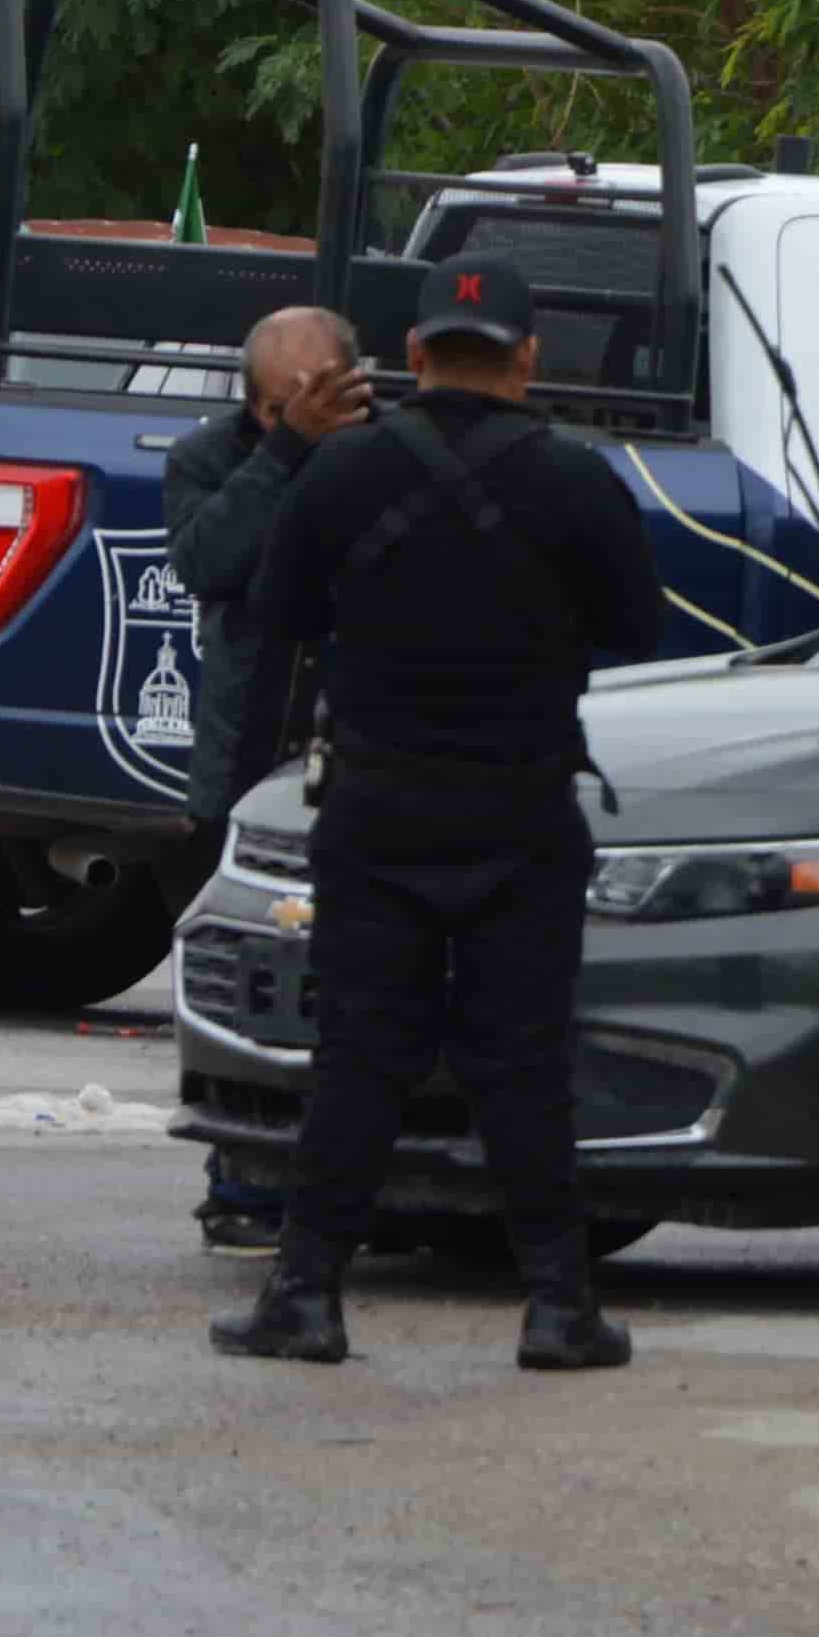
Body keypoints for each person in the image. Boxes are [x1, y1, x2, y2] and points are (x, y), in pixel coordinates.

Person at [209, 255, 662, 1373]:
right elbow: (640, 628)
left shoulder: (345, 472)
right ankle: (558, 1306)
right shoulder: (576, 479)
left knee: (359, 1055)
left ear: (411, 356)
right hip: (519, 812)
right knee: (525, 1062)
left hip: (376, 808)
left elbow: (276, 611)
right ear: (526, 357)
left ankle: (306, 1297)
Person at [163, 302, 368, 1256]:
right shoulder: (213, 460)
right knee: (251, 982)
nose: (325, 411)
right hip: (248, 754)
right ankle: (243, 1183)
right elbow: (212, 561)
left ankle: (363, 1188)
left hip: (361, 754)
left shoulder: (384, 458)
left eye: (336, 390)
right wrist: (285, 455)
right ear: (258, 405)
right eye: (298, 400)